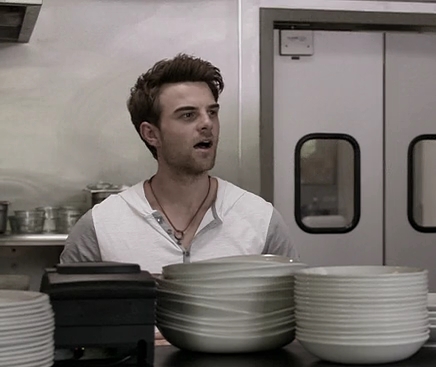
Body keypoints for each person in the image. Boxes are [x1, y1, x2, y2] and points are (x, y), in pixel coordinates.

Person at [60, 54, 299, 274]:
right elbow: (70, 306)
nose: (207, 124)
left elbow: (292, 303)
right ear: (151, 134)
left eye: (212, 112)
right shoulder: (101, 227)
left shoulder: (261, 221)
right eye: (188, 115)